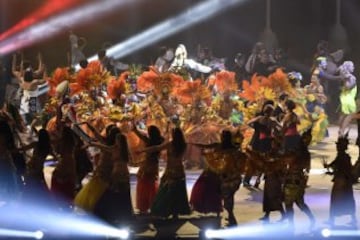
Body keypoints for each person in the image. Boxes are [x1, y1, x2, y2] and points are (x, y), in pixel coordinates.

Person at [137, 127, 190, 219]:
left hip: (170, 169)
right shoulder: (183, 144)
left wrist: (143, 150)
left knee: (166, 191)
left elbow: (157, 148)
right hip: (180, 170)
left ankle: (166, 210)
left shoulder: (171, 144)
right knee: (177, 191)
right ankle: (175, 213)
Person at [324, 135, 357, 227]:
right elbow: (335, 165)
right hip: (343, 181)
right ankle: (352, 219)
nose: (337, 147)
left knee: (336, 200)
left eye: (338, 146)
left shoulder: (343, 157)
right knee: (347, 199)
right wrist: (329, 168)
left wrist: (330, 170)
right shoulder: (342, 156)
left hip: (341, 182)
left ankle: (332, 220)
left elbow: (341, 168)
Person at [133, 124, 164, 214]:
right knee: (151, 185)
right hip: (153, 164)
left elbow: (143, 138)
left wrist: (135, 130)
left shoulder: (151, 142)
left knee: (144, 184)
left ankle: (144, 206)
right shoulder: (160, 141)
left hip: (148, 165)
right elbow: (142, 136)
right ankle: (152, 205)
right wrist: (135, 130)